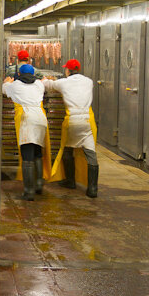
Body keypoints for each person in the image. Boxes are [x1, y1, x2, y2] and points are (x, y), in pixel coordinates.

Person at [42, 58, 98, 198]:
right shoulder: (89, 81)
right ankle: (92, 189)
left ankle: (70, 180)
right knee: (90, 153)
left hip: (73, 120)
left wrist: (44, 79)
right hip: (87, 120)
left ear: (67, 70)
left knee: (67, 150)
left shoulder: (63, 83)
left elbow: (47, 85)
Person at [2, 64, 48, 201]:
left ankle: (29, 192)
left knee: (27, 157)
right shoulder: (39, 85)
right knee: (37, 153)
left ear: (20, 74)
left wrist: (6, 82)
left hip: (27, 119)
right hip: (41, 118)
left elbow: (4, 89)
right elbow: (44, 83)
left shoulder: (15, 85)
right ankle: (39, 184)